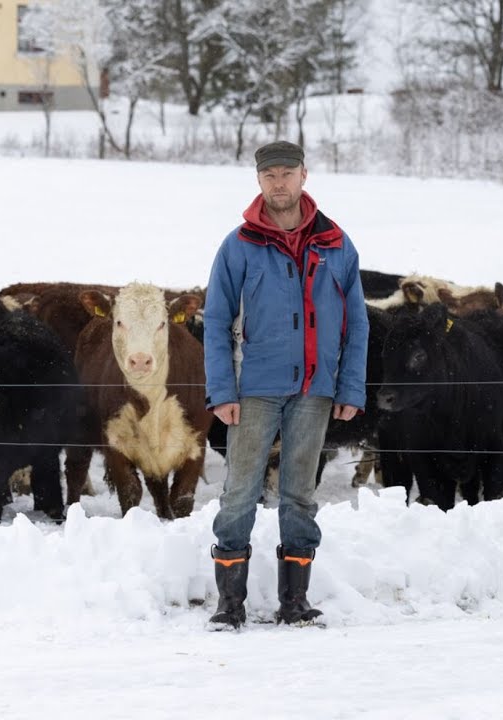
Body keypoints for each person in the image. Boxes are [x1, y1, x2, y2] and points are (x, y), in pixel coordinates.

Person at [202, 141, 369, 630]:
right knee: (240, 492)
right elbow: (215, 320)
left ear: (304, 176)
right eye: (270, 175)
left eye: (287, 174)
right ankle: (229, 604)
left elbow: (356, 322)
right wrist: (222, 391)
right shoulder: (239, 245)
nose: (279, 183)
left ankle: (295, 601)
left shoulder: (336, 243)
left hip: (315, 389)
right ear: (259, 180)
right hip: (253, 387)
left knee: (300, 494)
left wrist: (350, 387)